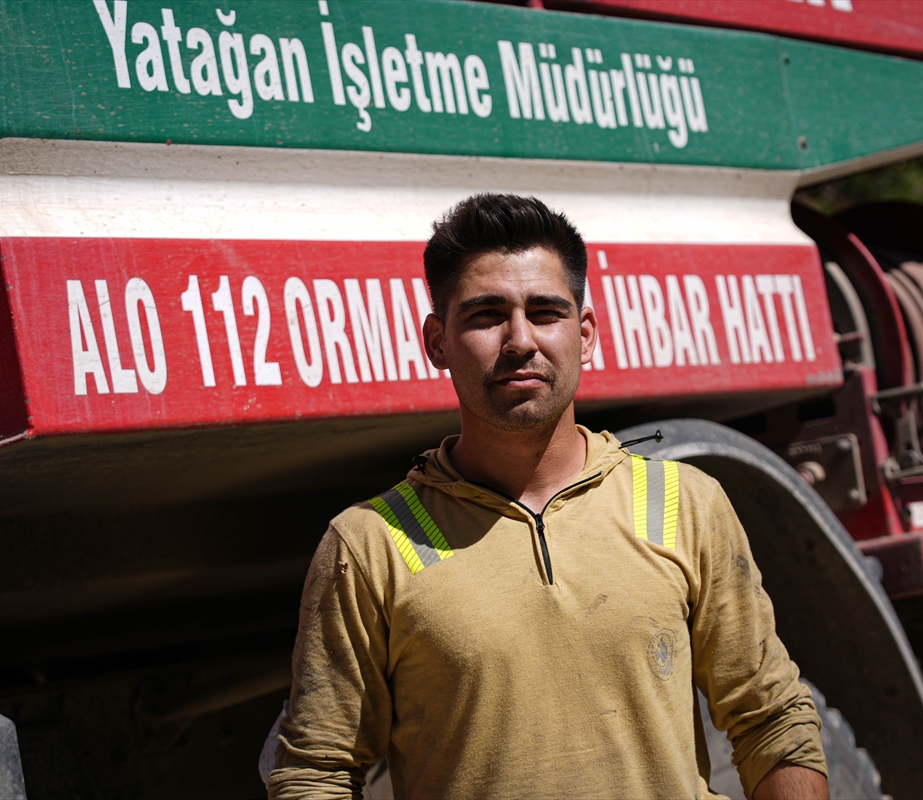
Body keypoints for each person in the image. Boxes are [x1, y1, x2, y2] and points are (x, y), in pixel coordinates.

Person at [267, 194, 829, 800]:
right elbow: (315, 774)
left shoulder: (686, 504)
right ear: (437, 341)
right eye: (486, 315)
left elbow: (772, 720)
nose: (520, 340)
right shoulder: (368, 546)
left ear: (584, 335)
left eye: (545, 312)